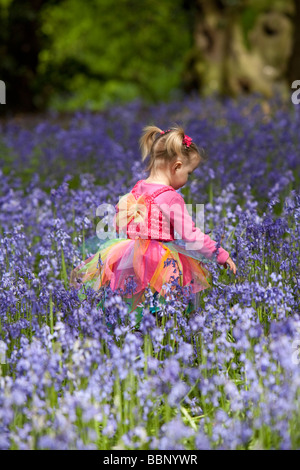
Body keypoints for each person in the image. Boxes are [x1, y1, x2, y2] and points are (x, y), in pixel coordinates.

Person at [69, 125, 236, 314]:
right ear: (177, 166)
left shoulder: (138, 188)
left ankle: (136, 336)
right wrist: (220, 254)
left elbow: (123, 221)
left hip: (130, 257)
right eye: (189, 173)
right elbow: (191, 235)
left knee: (135, 305)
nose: (188, 179)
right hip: (160, 261)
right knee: (165, 308)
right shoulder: (170, 196)